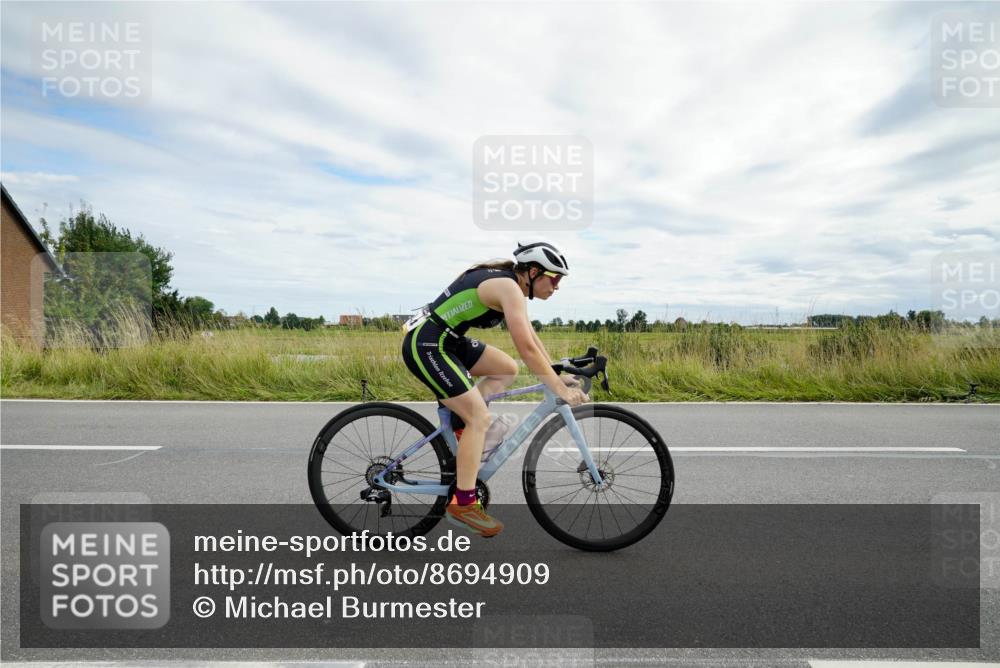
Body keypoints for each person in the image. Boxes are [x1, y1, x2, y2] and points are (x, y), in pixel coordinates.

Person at [401, 242, 589, 537]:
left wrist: (553, 374)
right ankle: (463, 504)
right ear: (534, 271)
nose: (556, 287)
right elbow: (525, 347)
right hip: (428, 345)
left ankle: (465, 434)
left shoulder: (511, 286)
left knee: (506, 368)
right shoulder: (509, 287)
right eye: (554, 279)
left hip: (447, 342)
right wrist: (558, 390)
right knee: (479, 416)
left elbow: (530, 335)